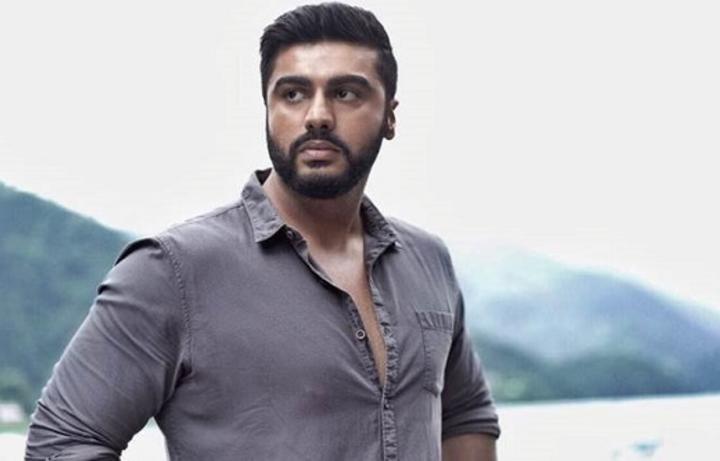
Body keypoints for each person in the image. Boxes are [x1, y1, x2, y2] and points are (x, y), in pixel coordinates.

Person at [25, 3, 500, 460]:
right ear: (268, 110)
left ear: (389, 116)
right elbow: (62, 443)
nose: (317, 115)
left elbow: (465, 414)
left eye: (345, 93)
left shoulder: (427, 261)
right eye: (293, 94)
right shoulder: (171, 271)